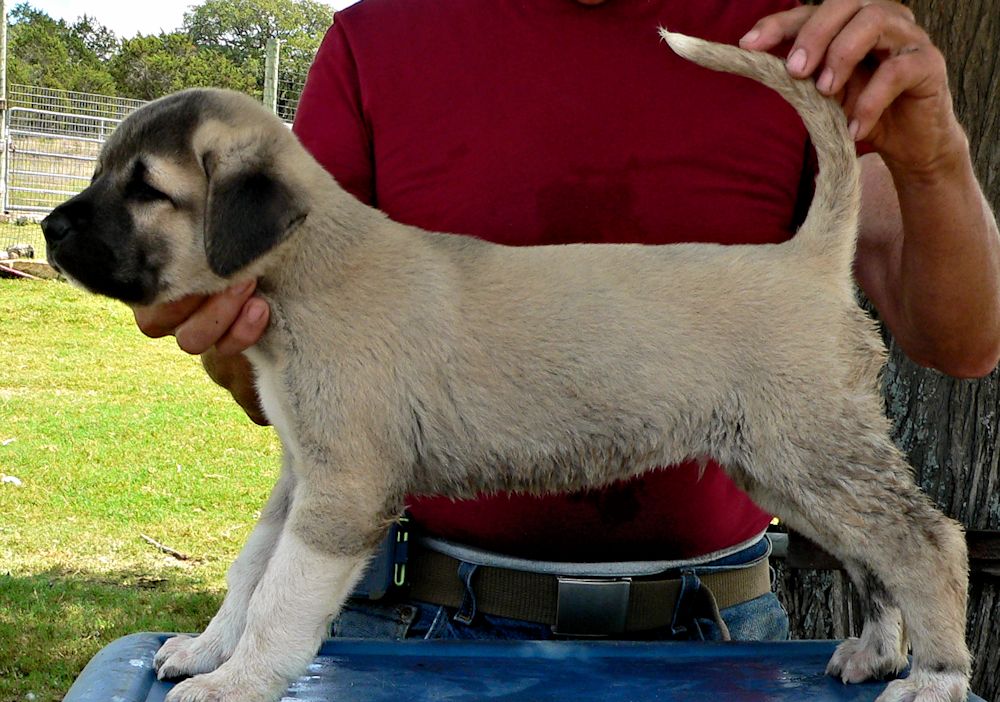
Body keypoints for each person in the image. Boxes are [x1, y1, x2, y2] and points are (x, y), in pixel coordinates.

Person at [133, 0, 1000, 642]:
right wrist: (231, 337)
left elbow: (967, 341)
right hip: (433, 624)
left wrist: (935, 161)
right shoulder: (376, 41)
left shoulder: (800, 37)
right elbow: (300, 390)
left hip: (722, 632)